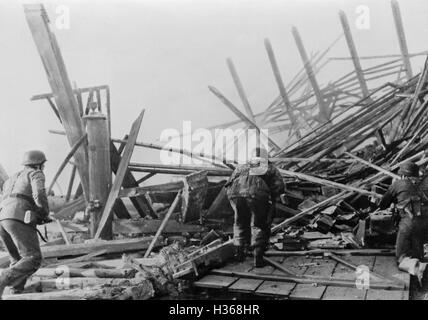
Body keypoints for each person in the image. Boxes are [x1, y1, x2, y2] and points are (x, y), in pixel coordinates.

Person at [0, 150, 50, 297]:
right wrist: (43, 213)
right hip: (18, 217)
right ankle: (3, 278)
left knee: (17, 259)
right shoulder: (35, 173)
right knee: (33, 258)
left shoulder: (12, 178)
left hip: (2, 218)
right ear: (39, 164)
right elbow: (39, 193)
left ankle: (16, 291)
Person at [225, 147, 285, 267]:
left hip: (234, 194)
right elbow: (279, 187)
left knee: (240, 222)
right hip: (255, 193)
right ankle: (258, 256)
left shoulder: (242, 166)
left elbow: (228, 184)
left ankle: (239, 253)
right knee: (259, 224)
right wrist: (272, 200)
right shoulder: (270, 167)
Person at [378, 161, 428, 284]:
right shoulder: (424, 185)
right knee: (417, 252)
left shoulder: (398, 184)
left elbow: (383, 205)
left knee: (401, 258)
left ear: (403, 175)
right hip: (425, 224)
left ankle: (418, 268)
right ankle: (420, 270)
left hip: (408, 223)